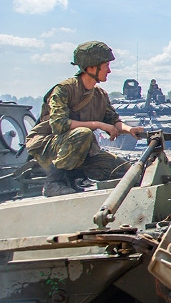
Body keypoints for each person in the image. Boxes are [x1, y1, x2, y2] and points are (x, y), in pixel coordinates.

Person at [25, 41, 145, 197]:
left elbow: (113, 121)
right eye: (106, 65)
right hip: (50, 148)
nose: (109, 70)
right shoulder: (64, 90)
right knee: (83, 133)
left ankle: (76, 178)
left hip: (81, 151)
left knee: (126, 172)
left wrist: (130, 130)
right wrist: (97, 125)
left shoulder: (100, 95)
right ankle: (53, 183)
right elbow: (58, 125)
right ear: (91, 68)